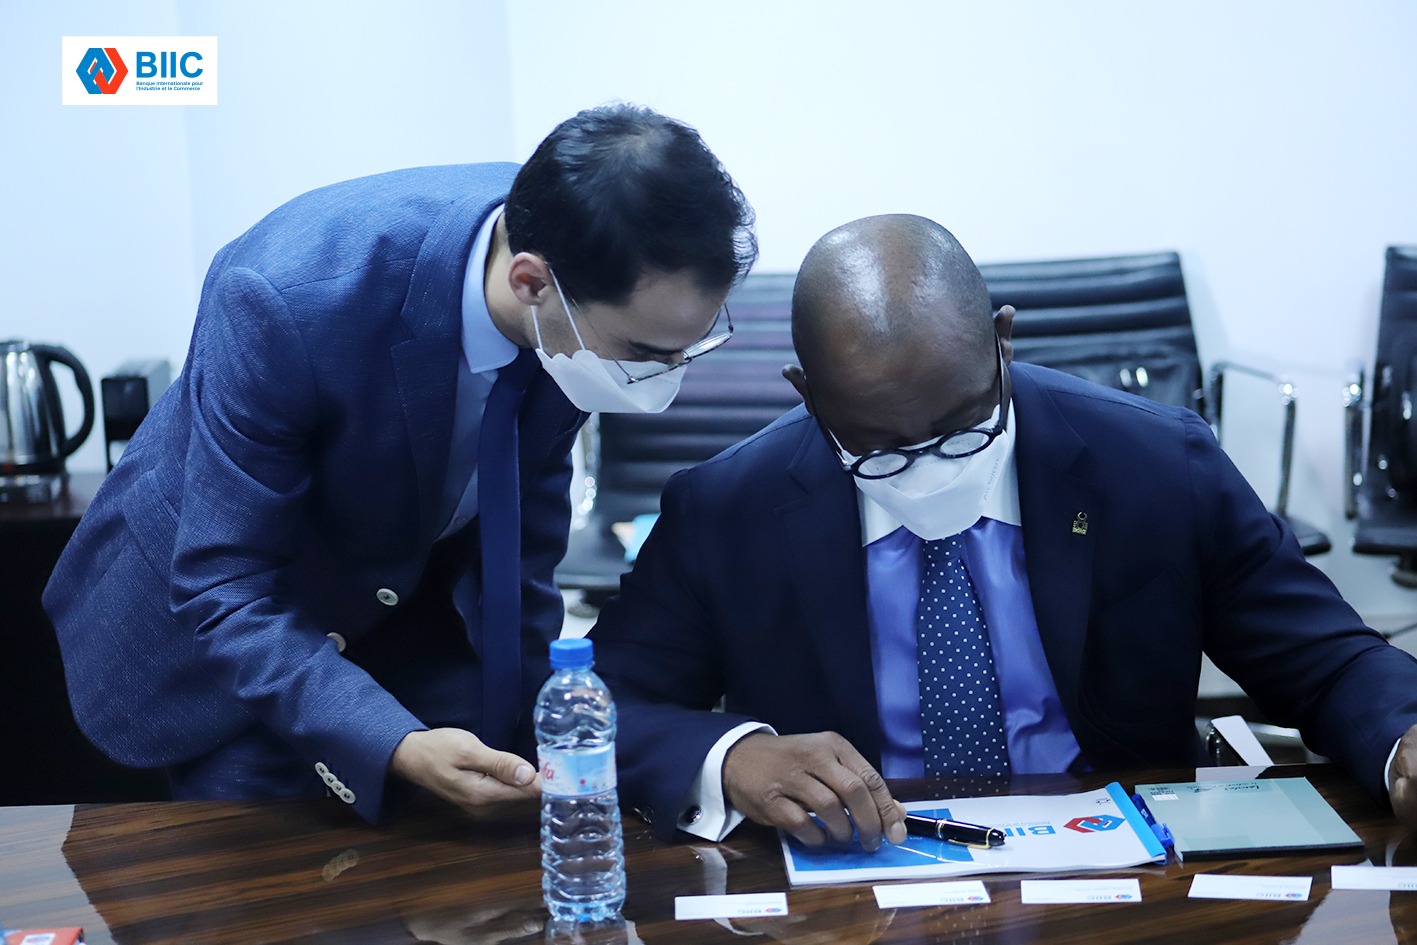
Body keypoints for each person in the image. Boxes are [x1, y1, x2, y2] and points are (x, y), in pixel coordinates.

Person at [588, 213, 1417, 851]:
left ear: (1002, 339)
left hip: (1120, 865)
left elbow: (1327, 660)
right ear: (806, 392)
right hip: (857, 875)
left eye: (961, 427)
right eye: (879, 446)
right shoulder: (726, 508)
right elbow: (598, 704)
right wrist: (733, 754)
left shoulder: (1157, 464)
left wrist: (1402, 737)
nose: (928, 467)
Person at [43, 104, 757, 823]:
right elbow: (224, 584)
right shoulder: (286, 296)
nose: (667, 378)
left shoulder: (580, 257)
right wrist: (394, 742)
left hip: (410, 600)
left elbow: (525, 515)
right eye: (644, 354)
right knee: (272, 866)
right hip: (226, 631)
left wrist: (527, 718)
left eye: (690, 347)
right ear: (531, 283)